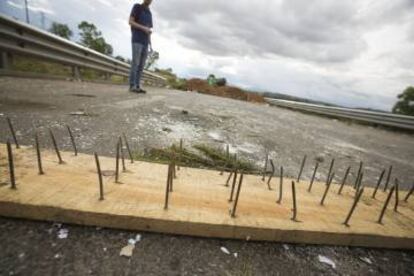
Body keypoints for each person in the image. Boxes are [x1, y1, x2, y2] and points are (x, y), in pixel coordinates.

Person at [128, 0, 153, 93]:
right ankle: (132, 85)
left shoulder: (149, 13)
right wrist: (143, 28)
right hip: (137, 40)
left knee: (141, 66)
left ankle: (138, 85)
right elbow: (130, 21)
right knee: (135, 63)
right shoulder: (137, 7)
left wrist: (150, 44)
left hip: (146, 42)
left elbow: (149, 29)